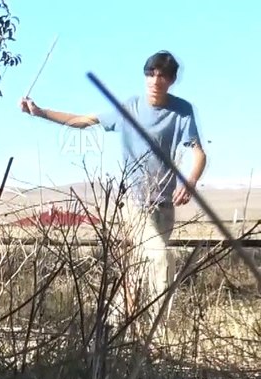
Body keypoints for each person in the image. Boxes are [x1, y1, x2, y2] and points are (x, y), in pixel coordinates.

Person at [20, 50, 206, 324]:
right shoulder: (129, 108)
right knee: (147, 263)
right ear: (145, 76)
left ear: (172, 80)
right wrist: (40, 112)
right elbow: (84, 121)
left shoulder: (181, 111)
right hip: (132, 203)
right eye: (151, 74)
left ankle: (132, 329)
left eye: (163, 75)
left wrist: (189, 182)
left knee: (145, 265)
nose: (156, 80)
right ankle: (138, 328)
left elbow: (199, 153)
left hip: (163, 204)